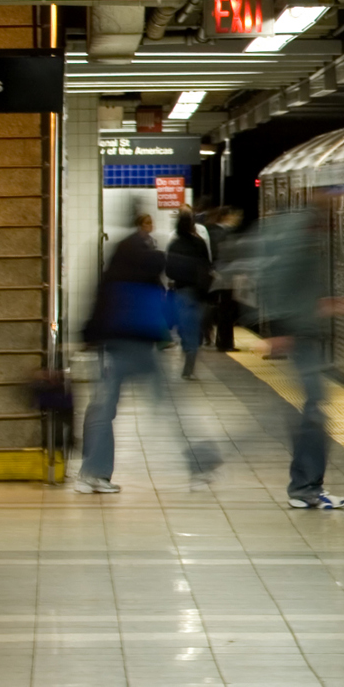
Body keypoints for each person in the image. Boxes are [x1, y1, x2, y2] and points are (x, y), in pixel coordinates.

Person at [255, 190, 344, 510]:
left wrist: (331, 305)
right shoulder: (301, 239)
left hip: (302, 331)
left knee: (313, 407)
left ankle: (306, 485)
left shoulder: (301, 233)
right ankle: (305, 487)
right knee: (314, 410)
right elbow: (280, 278)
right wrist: (282, 328)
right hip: (300, 335)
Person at [76, 213, 173, 494]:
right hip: (131, 346)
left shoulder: (119, 265)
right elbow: (160, 303)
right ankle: (94, 473)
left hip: (113, 346)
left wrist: (89, 335)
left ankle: (93, 471)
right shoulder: (145, 269)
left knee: (101, 408)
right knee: (107, 408)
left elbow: (99, 302)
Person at [166, 211, 214, 379]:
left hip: (181, 291)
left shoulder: (174, 245)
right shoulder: (199, 244)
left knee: (184, 327)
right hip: (199, 293)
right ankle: (190, 364)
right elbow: (208, 267)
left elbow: (169, 271)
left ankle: (187, 350)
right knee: (194, 327)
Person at [204, 207, 245, 351]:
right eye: (235, 216)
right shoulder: (221, 233)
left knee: (225, 311)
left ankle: (224, 342)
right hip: (225, 277)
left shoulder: (216, 232)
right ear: (226, 217)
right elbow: (225, 254)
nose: (237, 219)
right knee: (226, 311)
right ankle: (225, 343)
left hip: (223, 275)